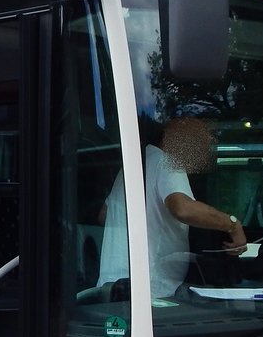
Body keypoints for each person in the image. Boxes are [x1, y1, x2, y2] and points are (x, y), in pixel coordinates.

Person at [99, 116, 246, 298]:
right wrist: (232, 224)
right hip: (148, 289)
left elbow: (104, 215)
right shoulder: (167, 162)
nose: (203, 147)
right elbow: (183, 209)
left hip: (111, 286)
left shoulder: (136, 164)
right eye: (198, 140)